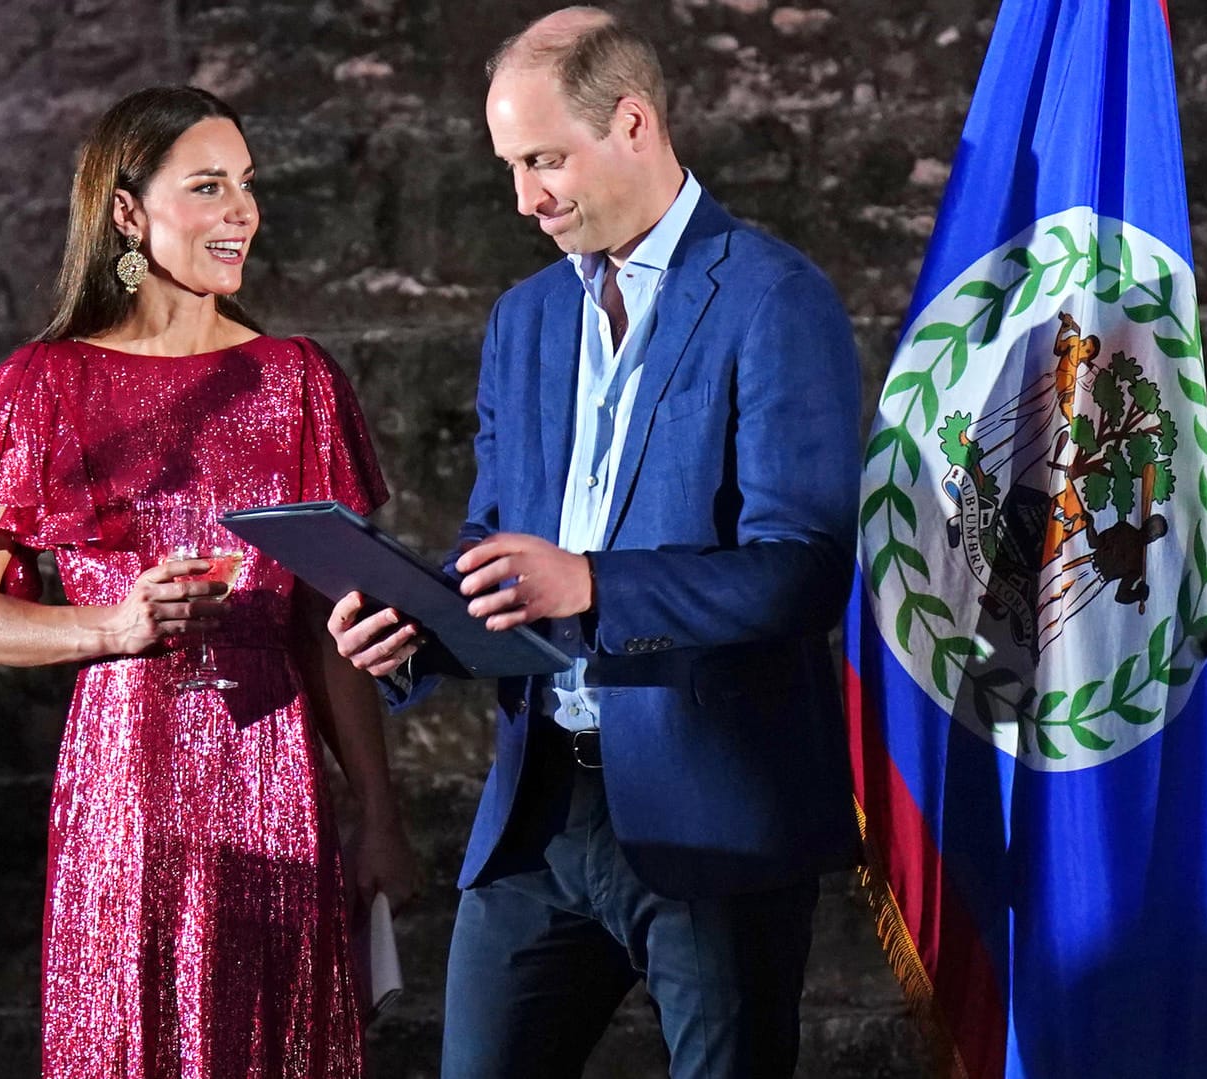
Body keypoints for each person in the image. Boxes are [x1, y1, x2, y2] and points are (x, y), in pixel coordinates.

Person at [329, 9, 861, 1077]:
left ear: (633, 123)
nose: (525, 196)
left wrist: (589, 583)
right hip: (540, 815)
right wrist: (416, 627)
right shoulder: (524, 319)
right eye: (511, 166)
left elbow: (802, 568)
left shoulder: (774, 297)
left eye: (543, 159)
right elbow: (495, 544)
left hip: (713, 820)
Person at [0, 86, 415, 1079]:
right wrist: (110, 623)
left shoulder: (298, 379)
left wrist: (378, 806)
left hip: (276, 787)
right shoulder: (41, 387)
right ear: (127, 212)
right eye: (208, 185)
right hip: (125, 796)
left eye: (246, 185)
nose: (243, 209)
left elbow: (328, 624)